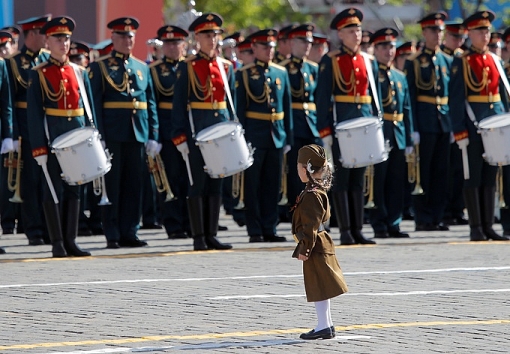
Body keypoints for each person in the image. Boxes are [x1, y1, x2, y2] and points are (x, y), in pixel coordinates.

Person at [88, 17, 159, 249]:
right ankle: (113, 232)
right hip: (113, 132)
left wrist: (153, 133)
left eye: (131, 36)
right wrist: (99, 134)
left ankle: (130, 231)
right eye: (122, 36)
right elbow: (95, 103)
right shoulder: (100, 66)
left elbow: (150, 103)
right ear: (113, 38)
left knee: (134, 184)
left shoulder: (141, 67)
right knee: (113, 185)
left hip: (137, 132)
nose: (128, 40)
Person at [27, 16, 94, 257]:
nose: (63, 43)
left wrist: (94, 137)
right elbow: (34, 114)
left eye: (66, 39)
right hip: (53, 138)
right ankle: (56, 242)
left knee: (75, 189)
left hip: (76, 137)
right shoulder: (39, 74)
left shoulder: (79, 71)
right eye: (58, 39)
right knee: (52, 189)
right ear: (47, 41)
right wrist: (38, 148)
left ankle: (71, 240)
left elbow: (88, 107)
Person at [171, 13, 233, 251]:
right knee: (197, 183)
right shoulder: (188, 66)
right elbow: (179, 104)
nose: (213, 39)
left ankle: (211, 233)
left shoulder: (225, 66)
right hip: (197, 132)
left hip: (220, 132)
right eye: (207, 35)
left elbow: (230, 103)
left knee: (216, 183)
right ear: (197, 37)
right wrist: (179, 136)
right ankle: (198, 236)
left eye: (215, 35)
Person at [315, 7, 378, 245]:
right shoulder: (330, 60)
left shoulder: (367, 60)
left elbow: (374, 95)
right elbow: (322, 98)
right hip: (342, 125)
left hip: (363, 124)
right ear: (340, 34)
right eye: (351, 30)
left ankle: (358, 228)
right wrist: (325, 130)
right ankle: (345, 231)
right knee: (342, 179)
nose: (356, 34)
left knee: (359, 178)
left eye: (358, 30)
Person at [449, 10, 509, 242]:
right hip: (473, 126)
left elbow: (502, 94)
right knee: (472, 175)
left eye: (487, 31)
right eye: (480, 31)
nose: (485, 35)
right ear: (470, 33)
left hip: (495, 124)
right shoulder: (462, 61)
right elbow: (456, 99)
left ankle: (488, 225)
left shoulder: (494, 59)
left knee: (490, 174)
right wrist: (460, 130)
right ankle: (476, 226)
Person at [236, 28, 293, 243]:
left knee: (272, 184)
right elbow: (240, 110)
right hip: (254, 135)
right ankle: (255, 229)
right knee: (253, 185)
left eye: (271, 46)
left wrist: (288, 137)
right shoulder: (244, 73)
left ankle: (270, 227)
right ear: (254, 48)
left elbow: (285, 107)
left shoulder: (280, 72)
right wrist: (241, 139)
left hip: (276, 135)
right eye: (264, 46)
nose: (269, 50)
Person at [292, 144, 348, 340]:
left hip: (315, 245)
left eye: (299, 167)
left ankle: (324, 325)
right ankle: (327, 324)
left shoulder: (311, 195)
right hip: (321, 243)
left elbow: (310, 226)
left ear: (306, 169)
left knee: (318, 287)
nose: (297, 170)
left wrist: (304, 249)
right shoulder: (316, 189)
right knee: (321, 286)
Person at [5, 14, 51, 245]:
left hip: (46, 127)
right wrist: (13, 134)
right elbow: (9, 101)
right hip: (25, 129)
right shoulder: (13, 62)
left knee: (48, 180)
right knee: (30, 181)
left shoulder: (48, 59)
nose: (47, 38)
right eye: (44, 33)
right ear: (32, 34)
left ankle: (49, 226)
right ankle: (34, 230)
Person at [404, 12, 452, 232]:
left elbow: (452, 95)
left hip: (443, 122)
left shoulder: (447, 60)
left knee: (442, 171)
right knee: (423, 171)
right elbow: (410, 97)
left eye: (440, 30)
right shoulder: (414, 62)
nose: (438, 34)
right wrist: (412, 128)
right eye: (433, 30)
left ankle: (438, 215)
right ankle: (423, 217)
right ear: (424, 32)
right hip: (424, 123)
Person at [368, 28, 413, 239]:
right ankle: (379, 222)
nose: (389, 51)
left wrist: (410, 137)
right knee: (380, 180)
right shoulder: (371, 73)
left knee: (397, 181)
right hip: (380, 130)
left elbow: (407, 109)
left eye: (392, 46)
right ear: (375, 49)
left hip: (398, 132)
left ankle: (394, 222)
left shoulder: (399, 76)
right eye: (384, 46)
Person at [149, 24, 190, 239]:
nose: (172, 47)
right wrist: (154, 134)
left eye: (176, 43)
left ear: (184, 44)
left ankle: (191, 222)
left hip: (189, 128)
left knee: (191, 178)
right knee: (170, 178)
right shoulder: (154, 70)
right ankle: (173, 225)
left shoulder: (191, 67)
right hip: (166, 130)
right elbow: (152, 104)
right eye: (168, 43)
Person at [279, 24, 321, 223]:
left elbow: (319, 99)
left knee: (314, 171)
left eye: (309, 42)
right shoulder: (284, 68)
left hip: (310, 124)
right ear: (292, 43)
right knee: (295, 172)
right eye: (303, 41)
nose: (307, 46)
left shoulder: (313, 68)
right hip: (294, 124)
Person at [440, 22, 469, 226]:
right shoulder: (440, 58)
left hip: (457, 117)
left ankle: (458, 208)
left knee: (460, 168)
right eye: (454, 37)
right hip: (443, 116)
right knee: (447, 168)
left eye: (460, 38)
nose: (457, 41)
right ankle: (447, 209)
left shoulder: (462, 58)